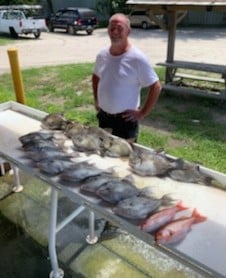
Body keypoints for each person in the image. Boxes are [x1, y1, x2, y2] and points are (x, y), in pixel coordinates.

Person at [92, 13, 162, 143]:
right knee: (103, 154)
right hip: (104, 118)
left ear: (128, 31)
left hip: (125, 121)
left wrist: (142, 113)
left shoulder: (137, 58)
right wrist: (97, 100)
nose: (115, 32)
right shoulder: (102, 55)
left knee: (124, 160)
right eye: (111, 28)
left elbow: (156, 86)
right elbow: (96, 76)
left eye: (119, 28)